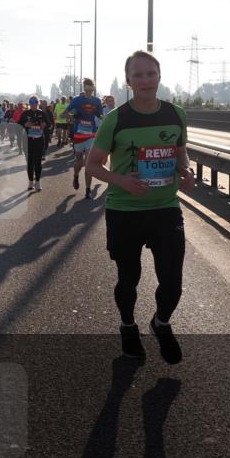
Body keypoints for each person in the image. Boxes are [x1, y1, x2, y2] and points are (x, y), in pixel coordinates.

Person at [85, 51, 196, 364]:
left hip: (166, 208)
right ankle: (128, 325)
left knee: (172, 280)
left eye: (151, 74)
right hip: (125, 211)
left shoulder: (176, 114)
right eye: (139, 75)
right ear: (128, 81)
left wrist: (185, 171)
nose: (146, 80)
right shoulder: (115, 119)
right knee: (128, 277)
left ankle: (161, 323)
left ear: (159, 76)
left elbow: (180, 152)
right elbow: (93, 166)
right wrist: (121, 180)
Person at [65, 78, 104, 198]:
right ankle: (76, 176)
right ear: (84, 87)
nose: (89, 88)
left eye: (91, 86)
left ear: (93, 88)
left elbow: (100, 114)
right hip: (78, 135)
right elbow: (66, 113)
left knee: (88, 163)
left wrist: (105, 118)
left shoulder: (97, 101)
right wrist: (73, 115)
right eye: (87, 86)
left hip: (91, 135)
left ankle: (88, 190)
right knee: (79, 162)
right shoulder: (77, 100)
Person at [16, 97, 49, 191]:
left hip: (39, 140)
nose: (33, 103)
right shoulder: (25, 113)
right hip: (28, 141)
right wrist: (25, 125)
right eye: (31, 102)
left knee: (38, 163)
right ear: (29, 103)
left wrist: (44, 126)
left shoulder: (42, 113)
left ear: (38, 103)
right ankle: (30, 182)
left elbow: (49, 125)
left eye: (35, 102)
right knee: (30, 163)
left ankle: (37, 182)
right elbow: (18, 125)